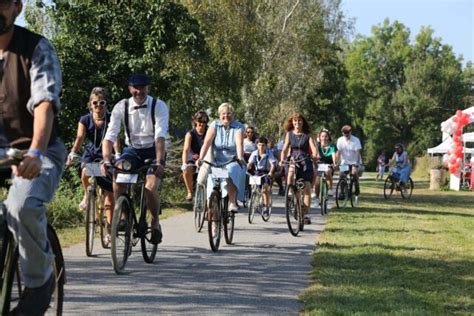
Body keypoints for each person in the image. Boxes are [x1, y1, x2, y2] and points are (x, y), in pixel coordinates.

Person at [0, 0, 65, 313]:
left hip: (40, 149)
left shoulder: (36, 48)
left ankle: (40, 282)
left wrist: (36, 151)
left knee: (21, 205)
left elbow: (44, 104)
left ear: (16, 7)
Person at [102, 73, 168, 245]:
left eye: (142, 87)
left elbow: (160, 136)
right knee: (117, 175)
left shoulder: (158, 106)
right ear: (130, 88)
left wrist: (160, 162)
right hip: (132, 150)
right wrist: (106, 160)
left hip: (153, 150)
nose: (139, 91)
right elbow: (110, 136)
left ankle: (154, 221)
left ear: (148, 88)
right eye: (135, 88)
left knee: (149, 188)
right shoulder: (120, 107)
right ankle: (123, 214)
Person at [65, 87, 120, 243]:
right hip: (91, 153)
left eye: (101, 102)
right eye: (95, 103)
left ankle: (110, 230)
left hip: (107, 154)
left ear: (106, 104)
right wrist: (72, 153)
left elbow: (115, 139)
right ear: (90, 105)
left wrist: (117, 154)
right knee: (85, 171)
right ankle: (87, 194)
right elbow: (79, 138)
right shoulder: (85, 119)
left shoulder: (111, 119)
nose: (98, 106)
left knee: (109, 196)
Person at [197, 102, 246, 213]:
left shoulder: (238, 127)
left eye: (229, 113)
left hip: (232, 160)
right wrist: (200, 158)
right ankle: (211, 213)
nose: (226, 116)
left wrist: (240, 157)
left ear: (233, 115)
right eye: (223, 113)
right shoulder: (214, 125)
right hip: (216, 161)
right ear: (219, 115)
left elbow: (239, 144)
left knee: (230, 171)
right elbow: (206, 143)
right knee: (210, 184)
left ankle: (232, 201)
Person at [279, 113, 318, 224]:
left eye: (299, 121)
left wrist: (314, 155)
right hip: (293, 158)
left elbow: (314, 148)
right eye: (295, 121)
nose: (297, 123)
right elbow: (285, 149)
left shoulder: (308, 135)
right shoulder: (289, 134)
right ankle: (290, 192)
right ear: (292, 123)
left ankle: (305, 214)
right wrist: (282, 159)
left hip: (305, 160)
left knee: (307, 188)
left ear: (302, 122)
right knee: (291, 172)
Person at [181, 111, 209, 201]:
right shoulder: (190, 134)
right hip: (193, 157)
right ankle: (189, 192)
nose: (202, 123)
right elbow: (186, 149)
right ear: (195, 121)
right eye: (200, 121)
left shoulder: (209, 132)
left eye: (204, 122)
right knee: (186, 170)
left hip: (206, 157)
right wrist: (184, 163)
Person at [247, 137, 277, 216]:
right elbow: (250, 163)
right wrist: (247, 168)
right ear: (257, 145)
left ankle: (266, 207)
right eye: (259, 145)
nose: (261, 147)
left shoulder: (268, 153)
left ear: (266, 146)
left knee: (264, 190)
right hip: (257, 172)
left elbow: (273, 164)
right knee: (253, 186)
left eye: (263, 145)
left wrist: (270, 172)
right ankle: (254, 199)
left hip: (266, 172)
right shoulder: (254, 153)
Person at [336, 124, 363, 198]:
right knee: (341, 175)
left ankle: (357, 185)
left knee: (354, 173)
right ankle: (342, 192)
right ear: (342, 133)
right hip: (345, 162)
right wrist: (336, 162)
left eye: (348, 133)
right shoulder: (340, 140)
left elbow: (358, 153)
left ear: (350, 132)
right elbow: (338, 152)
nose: (346, 134)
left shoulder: (356, 140)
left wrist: (357, 163)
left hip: (355, 161)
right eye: (344, 133)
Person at [314, 128, 337, 197]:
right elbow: (315, 155)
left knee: (328, 172)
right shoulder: (317, 146)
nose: (324, 138)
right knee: (317, 184)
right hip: (320, 165)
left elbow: (333, 156)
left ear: (328, 137)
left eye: (326, 136)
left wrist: (335, 163)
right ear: (320, 137)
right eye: (322, 136)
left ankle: (330, 189)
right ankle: (317, 195)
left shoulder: (332, 146)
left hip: (329, 165)